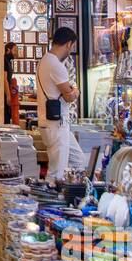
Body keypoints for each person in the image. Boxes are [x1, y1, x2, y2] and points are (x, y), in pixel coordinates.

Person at [38, 28, 86, 181]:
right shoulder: (56, 66)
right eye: (71, 47)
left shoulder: (45, 61)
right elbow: (70, 96)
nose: (71, 51)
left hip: (52, 124)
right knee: (56, 173)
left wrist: (70, 92)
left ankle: (71, 192)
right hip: (56, 126)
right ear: (68, 44)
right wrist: (75, 90)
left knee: (78, 160)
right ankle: (51, 202)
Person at [3, 42, 21, 125]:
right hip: (4, 94)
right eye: (14, 50)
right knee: (6, 118)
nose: (16, 53)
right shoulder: (4, 60)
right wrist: (8, 95)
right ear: (8, 50)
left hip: (8, 92)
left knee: (8, 116)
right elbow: (4, 79)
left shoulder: (8, 61)